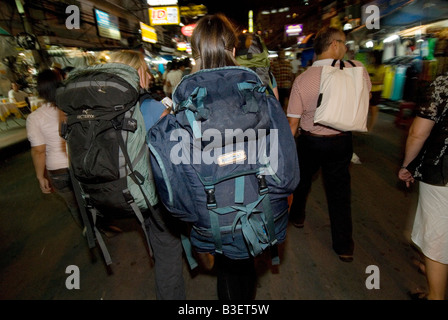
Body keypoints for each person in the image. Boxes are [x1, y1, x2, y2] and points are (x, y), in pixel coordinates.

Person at [286, 26, 372, 263]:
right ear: (334, 45)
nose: (346, 48)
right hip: (341, 141)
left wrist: (284, 151)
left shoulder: (303, 79)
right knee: (340, 193)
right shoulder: (358, 70)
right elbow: (366, 97)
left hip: (310, 142)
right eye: (343, 43)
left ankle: (298, 216)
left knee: (302, 182)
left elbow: (293, 121)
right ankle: (344, 246)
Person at [189, 14, 259, 300]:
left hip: (208, 203)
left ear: (196, 52)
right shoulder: (255, 89)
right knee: (245, 261)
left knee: (228, 268)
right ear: (233, 50)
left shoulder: (186, 95)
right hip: (252, 201)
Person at [108, 49, 185, 300]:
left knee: (154, 238)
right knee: (168, 256)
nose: (150, 75)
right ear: (135, 73)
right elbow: (177, 155)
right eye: (145, 69)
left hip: (126, 192)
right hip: (156, 196)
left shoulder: (105, 111)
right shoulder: (152, 107)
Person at [398, 72, 448, 300]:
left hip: (442, 173)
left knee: (437, 239)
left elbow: (418, 132)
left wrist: (407, 165)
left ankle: (435, 296)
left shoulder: (444, 82)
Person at [26, 69, 82, 228]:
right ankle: (101, 228)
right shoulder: (74, 107)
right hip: (81, 164)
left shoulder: (35, 118)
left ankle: (89, 232)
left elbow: (39, 151)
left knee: (74, 205)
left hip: (58, 171)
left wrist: (40, 176)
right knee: (90, 200)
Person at [366, 50, 385, 132]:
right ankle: (365, 126)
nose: (371, 58)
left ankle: (370, 128)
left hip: (376, 91)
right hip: (368, 90)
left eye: (372, 56)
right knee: (366, 110)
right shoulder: (369, 66)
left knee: (373, 110)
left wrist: (370, 82)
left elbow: (382, 81)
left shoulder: (382, 68)